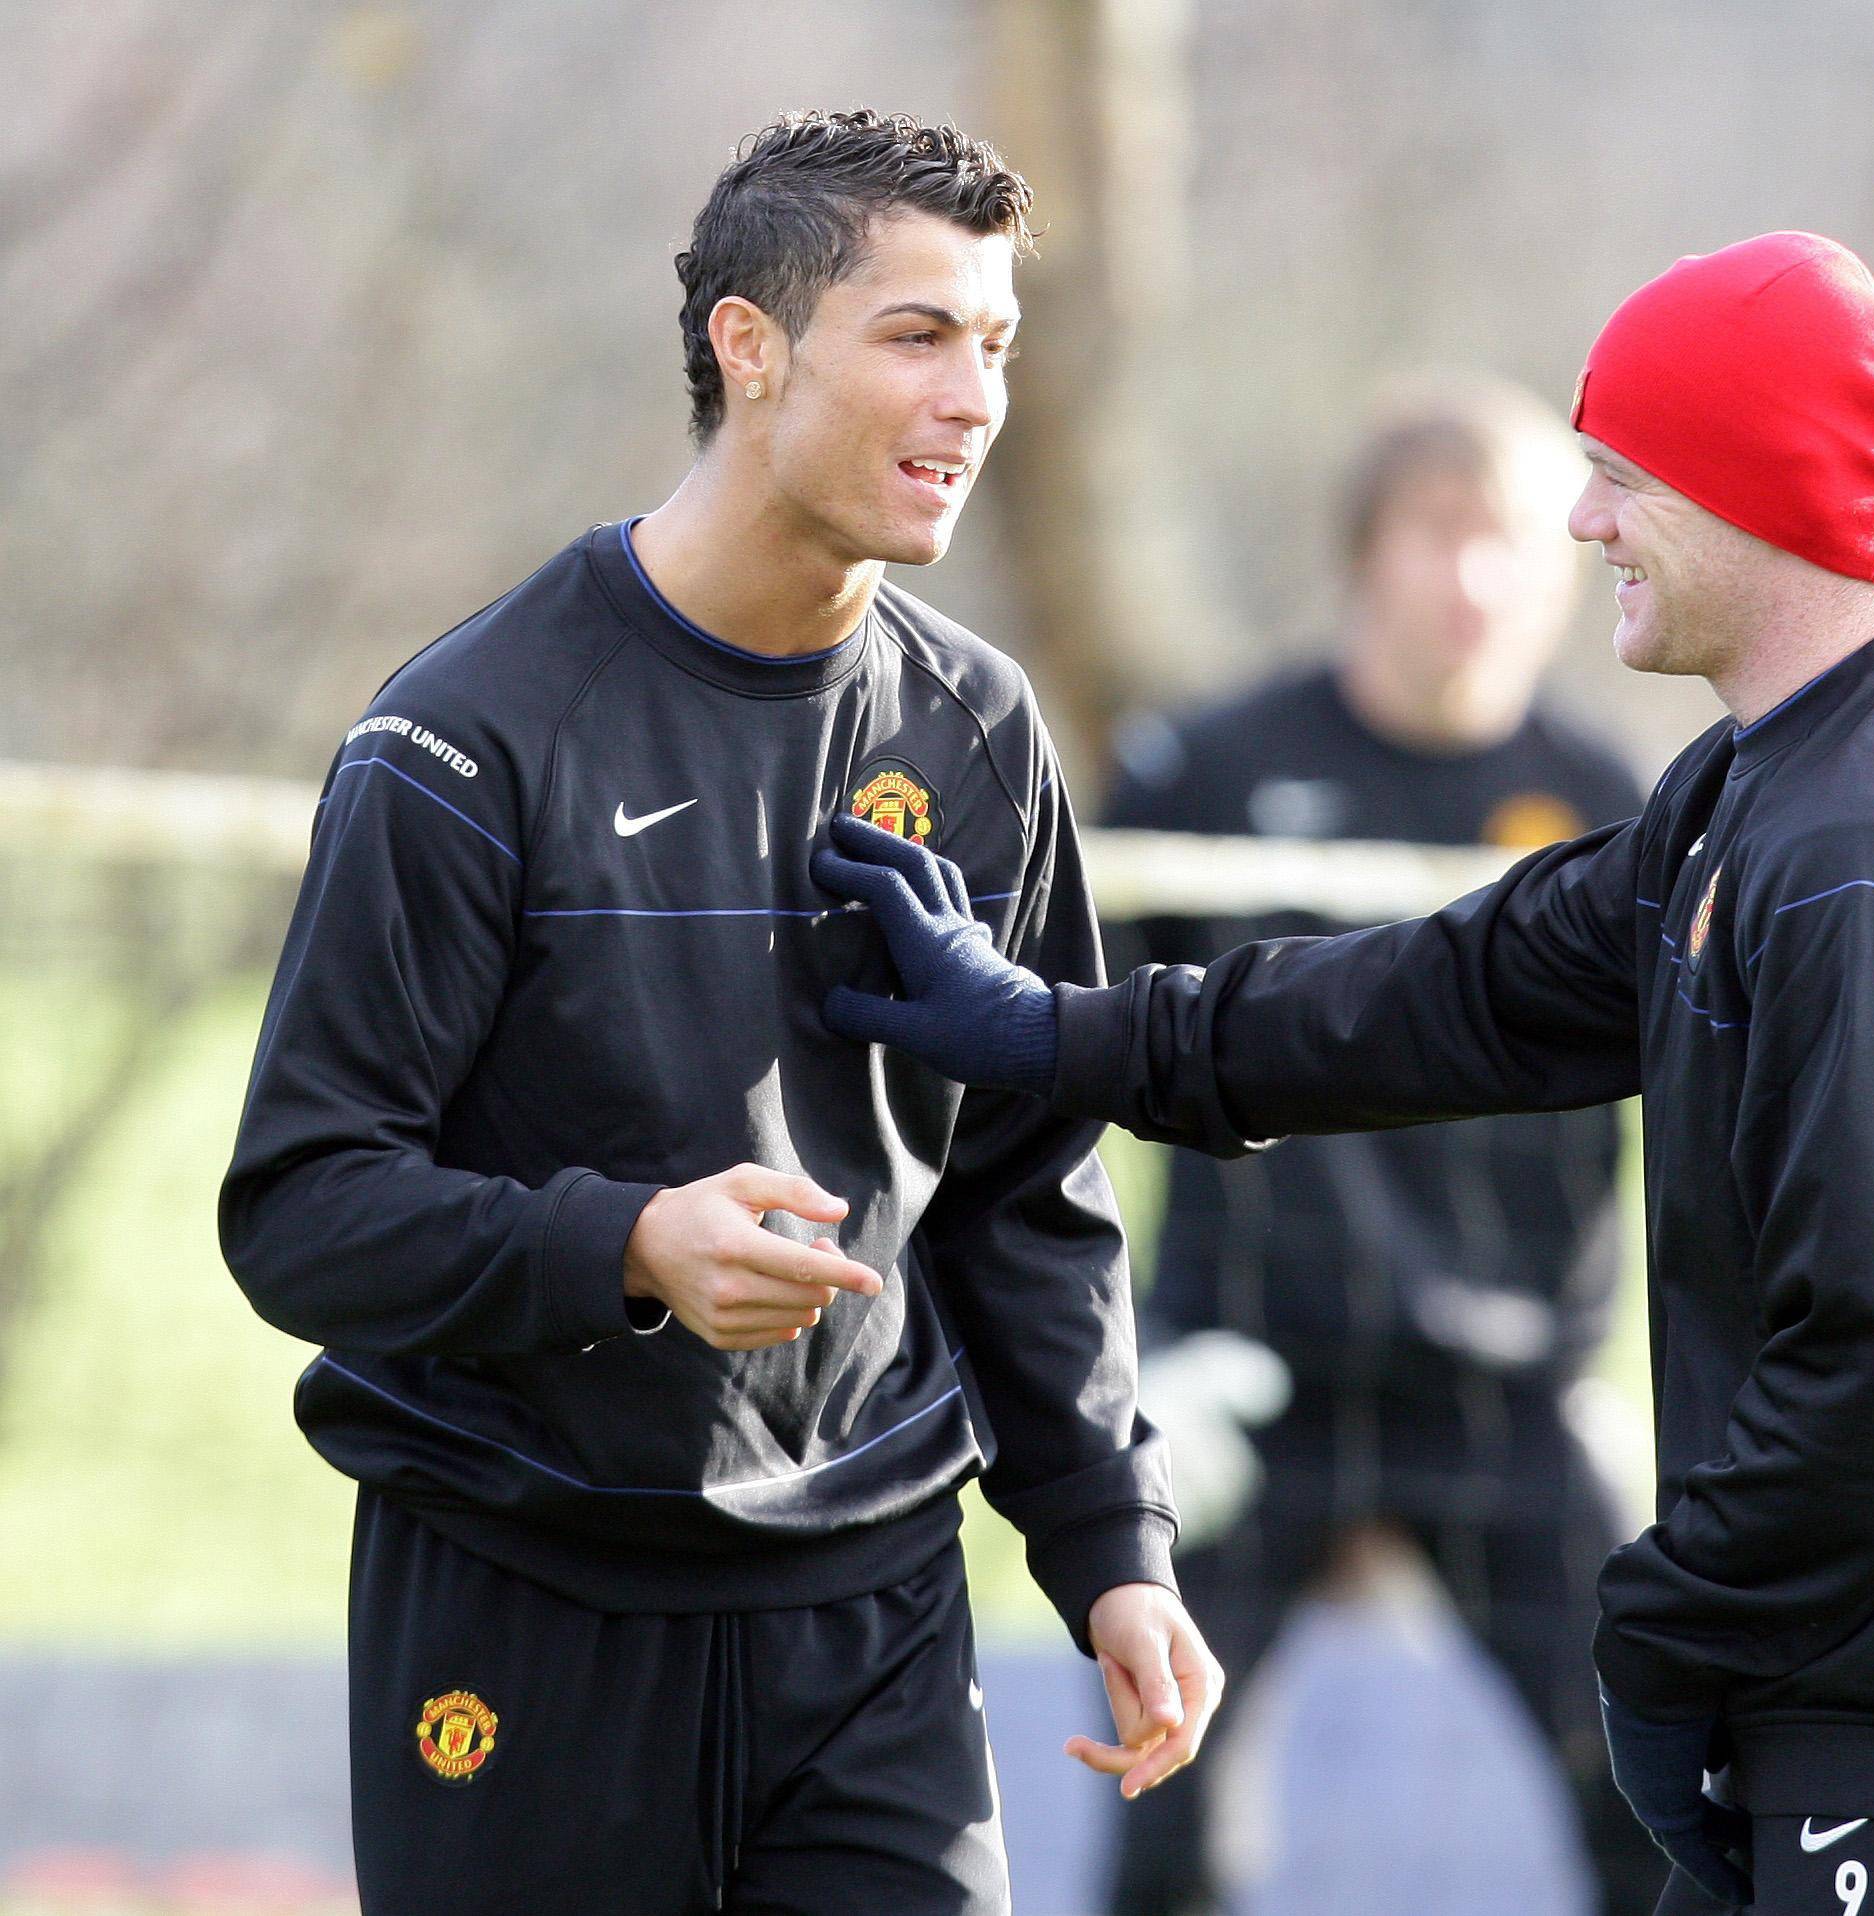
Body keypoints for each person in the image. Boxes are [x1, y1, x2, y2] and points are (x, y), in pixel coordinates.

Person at [815, 231, 1874, 1914]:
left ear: (1749, 483)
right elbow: (1435, 998)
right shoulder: (1739, 803)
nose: (1581, 521)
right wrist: (1050, 1030)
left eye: (1622, 476)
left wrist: (1661, 1627)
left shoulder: (1859, 850)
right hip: (1784, 1665)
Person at [219, 109, 1219, 1916]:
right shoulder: (468, 740)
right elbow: (302, 1208)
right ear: (746, 349)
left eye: (995, 344)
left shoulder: (981, 735)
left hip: (877, 1613)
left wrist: (1109, 1543)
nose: (974, 400)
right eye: (916, 336)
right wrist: (624, 1248)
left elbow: (1022, 1194)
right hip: (528, 1595)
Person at [1097, 376, 1666, 1916]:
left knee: (1662, 1801)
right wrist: (1116, 1366)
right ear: (1366, 552)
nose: (1474, 579)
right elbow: (1049, 1069)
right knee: (1164, 1817)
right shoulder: (1199, 778)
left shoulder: (1618, 806)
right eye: (1437, 534)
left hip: (1506, 1402)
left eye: (1510, 542)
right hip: (1248, 1387)